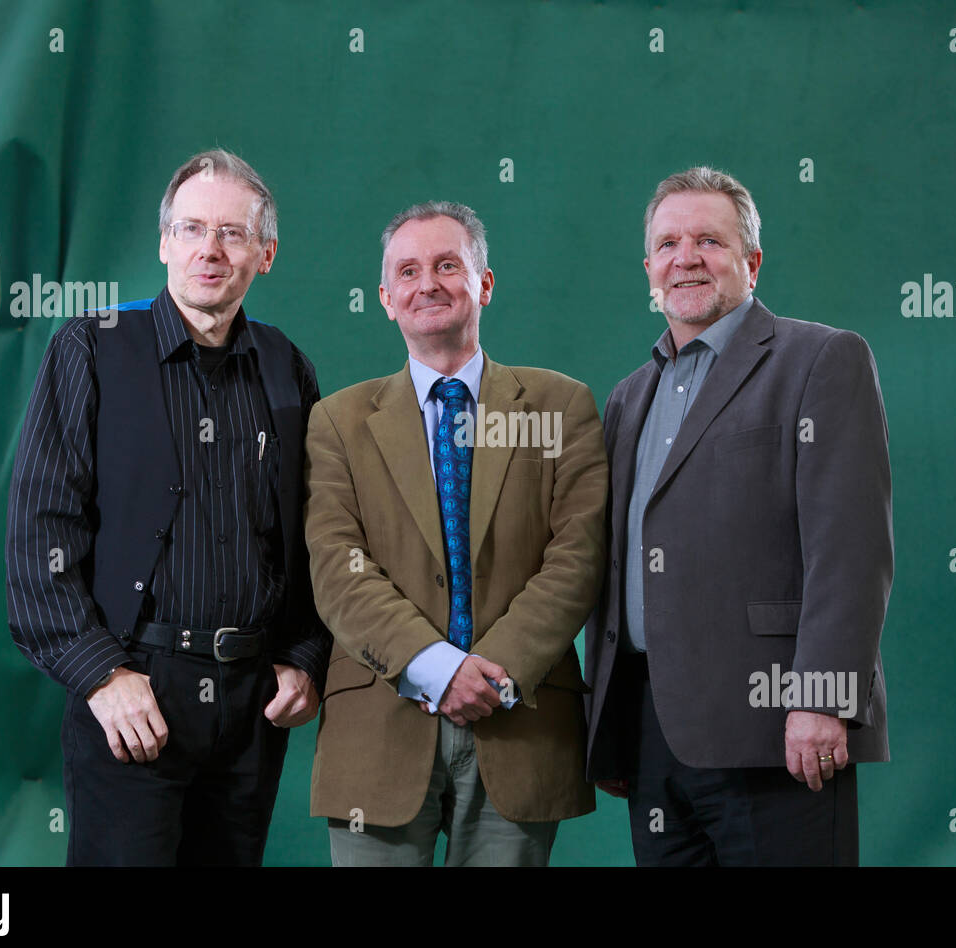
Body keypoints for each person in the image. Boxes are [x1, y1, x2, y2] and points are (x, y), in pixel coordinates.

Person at [5, 149, 330, 865]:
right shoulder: (90, 350)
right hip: (133, 690)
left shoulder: (287, 368)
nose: (209, 250)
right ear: (164, 243)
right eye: (191, 229)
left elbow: (317, 533)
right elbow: (38, 536)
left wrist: (306, 655)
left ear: (266, 253)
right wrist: (101, 676)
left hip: (252, 706)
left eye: (233, 233)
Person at [585, 167, 893, 866]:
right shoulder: (629, 397)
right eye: (667, 244)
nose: (685, 258)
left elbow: (851, 551)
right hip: (649, 736)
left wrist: (823, 699)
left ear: (751, 263)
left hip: (778, 728)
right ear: (648, 269)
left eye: (708, 241)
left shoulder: (820, 360)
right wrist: (607, 721)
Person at [303, 201, 606, 866]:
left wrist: (491, 676)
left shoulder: (561, 406)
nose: (428, 283)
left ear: (485, 283)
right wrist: (435, 668)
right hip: (378, 729)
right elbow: (336, 565)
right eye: (408, 271)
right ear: (385, 298)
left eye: (448, 265)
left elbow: (577, 558)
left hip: (518, 724)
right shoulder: (338, 422)